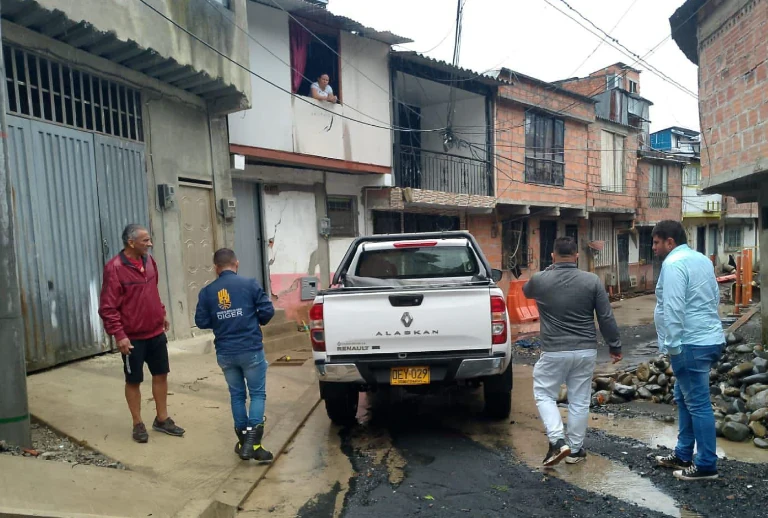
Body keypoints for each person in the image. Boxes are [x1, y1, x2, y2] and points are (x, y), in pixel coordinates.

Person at [523, 237, 621, 467]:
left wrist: (549, 269)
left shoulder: (540, 279)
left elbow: (527, 291)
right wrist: (614, 346)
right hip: (586, 350)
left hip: (554, 351)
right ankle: (575, 450)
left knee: (545, 394)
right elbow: (605, 316)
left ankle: (557, 441)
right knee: (579, 399)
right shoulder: (592, 280)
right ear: (577, 256)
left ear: (552, 256)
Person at [651, 220, 724, 481]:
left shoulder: (672, 264)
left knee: (698, 403)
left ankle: (706, 465)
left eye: (657, 242)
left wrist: (672, 347)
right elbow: (714, 297)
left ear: (670, 242)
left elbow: (673, 308)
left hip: (689, 344)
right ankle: (683, 453)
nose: (654, 248)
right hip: (709, 338)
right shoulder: (702, 260)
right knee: (684, 398)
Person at [99, 224, 185, 443]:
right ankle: (138, 423)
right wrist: (119, 335)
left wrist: (161, 313)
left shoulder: (149, 261)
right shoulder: (115, 268)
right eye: (145, 241)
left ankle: (162, 419)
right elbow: (107, 307)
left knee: (161, 374)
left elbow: (152, 291)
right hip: (133, 337)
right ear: (131, 242)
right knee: (134, 380)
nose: (150, 244)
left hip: (155, 332)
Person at [194, 248, 275, 462]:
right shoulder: (250, 284)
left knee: (237, 395)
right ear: (236, 264)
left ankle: (243, 442)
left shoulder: (207, 292)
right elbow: (268, 311)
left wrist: (222, 321)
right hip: (250, 349)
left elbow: (201, 321)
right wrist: (255, 321)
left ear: (215, 268)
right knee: (257, 394)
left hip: (226, 352)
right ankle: (254, 443)